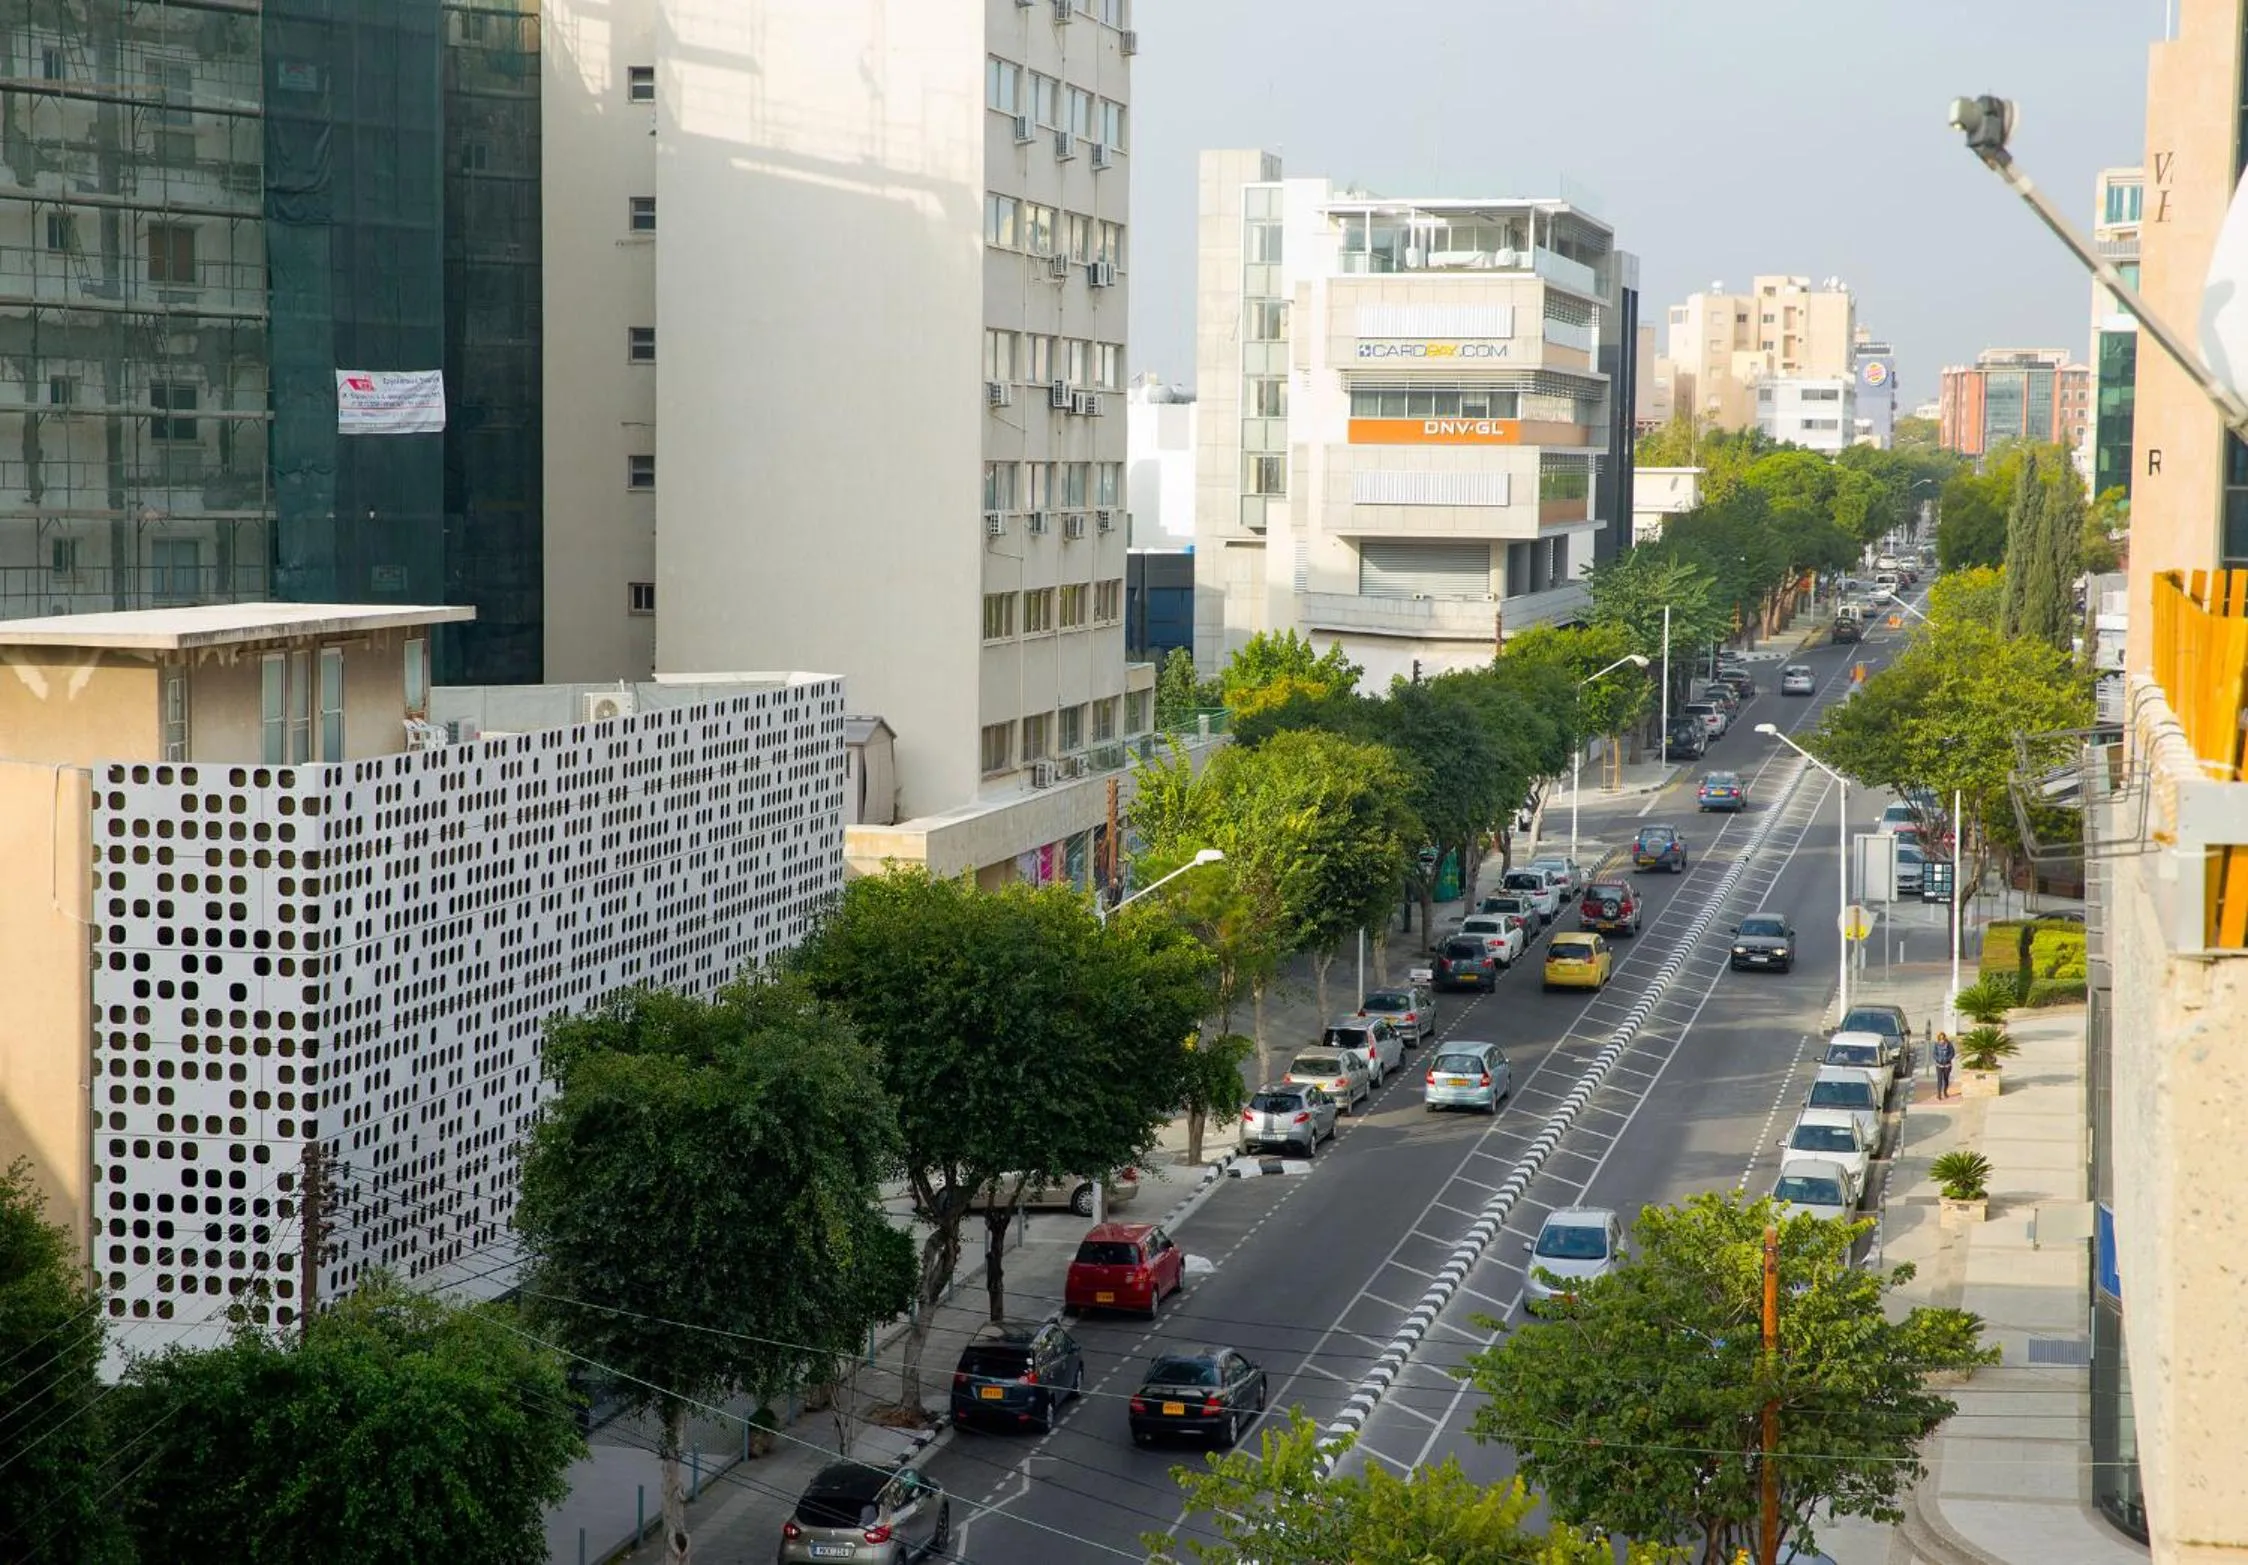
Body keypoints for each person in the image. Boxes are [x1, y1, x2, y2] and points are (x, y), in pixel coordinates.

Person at [1932, 1032, 1957, 1100]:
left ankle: (1945, 1092)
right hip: (1939, 1065)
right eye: (1940, 1038)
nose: (1942, 1039)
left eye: (1943, 1038)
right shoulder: (1936, 1044)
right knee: (1939, 1080)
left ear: (1945, 1037)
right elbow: (1934, 1054)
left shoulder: (1949, 1044)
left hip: (1947, 1066)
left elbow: (1952, 1053)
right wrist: (1938, 1059)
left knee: (1946, 1080)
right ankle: (1939, 1094)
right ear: (1938, 1038)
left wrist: (1947, 1059)